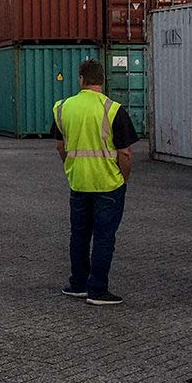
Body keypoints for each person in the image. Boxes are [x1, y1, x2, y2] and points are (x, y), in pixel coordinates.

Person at [51, 59, 138, 306]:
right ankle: (97, 290)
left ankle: (78, 284)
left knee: (79, 235)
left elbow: (60, 146)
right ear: (102, 80)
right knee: (103, 237)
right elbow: (125, 153)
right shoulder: (113, 109)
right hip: (108, 184)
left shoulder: (63, 107)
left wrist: (71, 166)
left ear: (81, 79)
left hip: (78, 182)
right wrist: (123, 178)